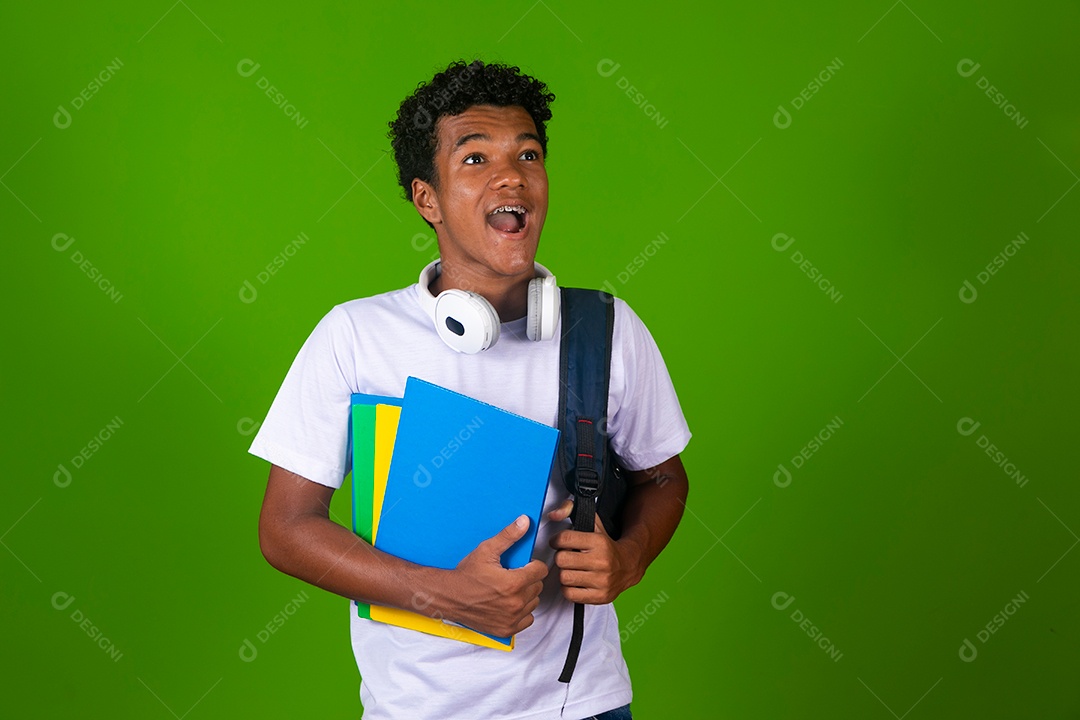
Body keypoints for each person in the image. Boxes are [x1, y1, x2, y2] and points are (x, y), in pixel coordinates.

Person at [250, 59, 691, 720]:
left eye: (529, 154)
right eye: (476, 158)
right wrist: (442, 593)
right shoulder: (356, 336)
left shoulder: (605, 330)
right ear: (427, 198)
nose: (512, 175)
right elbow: (286, 529)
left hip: (583, 706)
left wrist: (628, 559)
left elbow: (663, 480)